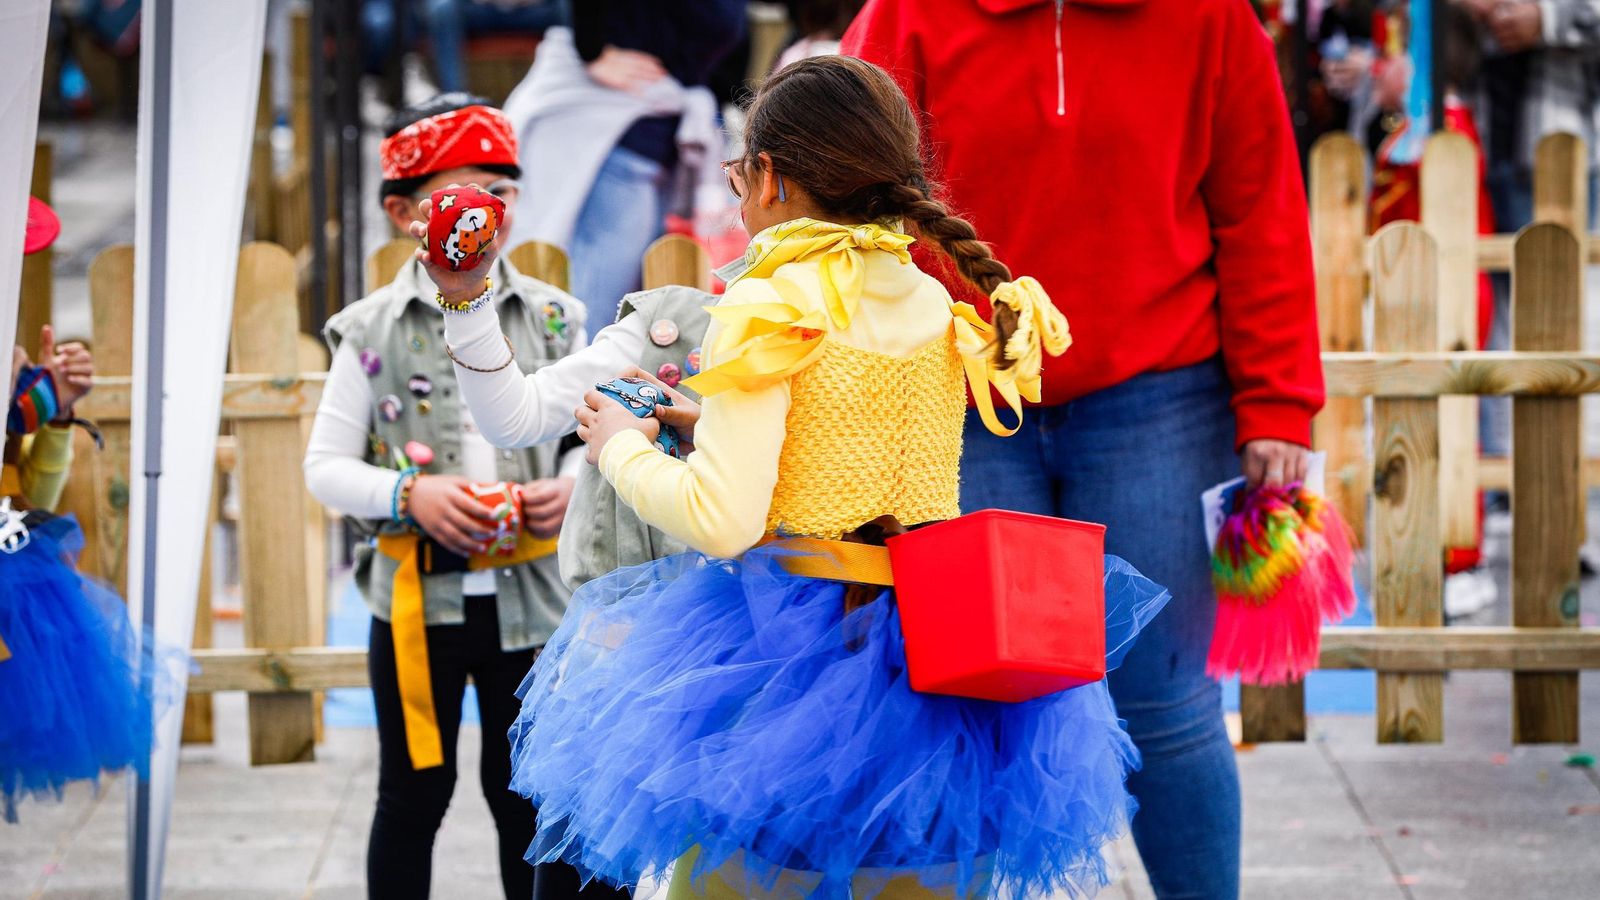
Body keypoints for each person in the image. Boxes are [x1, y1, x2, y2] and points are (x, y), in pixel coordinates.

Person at [426, 55, 1170, 899]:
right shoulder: (931, 301)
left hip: (790, 651)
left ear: (772, 178)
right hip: (923, 642)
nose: (740, 198)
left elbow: (721, 519)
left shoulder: (771, 302)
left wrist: (620, 446)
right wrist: (701, 420)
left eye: (742, 175)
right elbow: (847, 449)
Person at [843, 2, 1326, 897]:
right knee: (969, 701)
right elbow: (842, 199)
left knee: (1170, 708)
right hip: (957, 399)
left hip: (1161, 397)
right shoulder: (908, 16)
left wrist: (1279, 405)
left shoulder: (1212, 21)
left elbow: (1261, 212)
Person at [302, 93, 589, 900]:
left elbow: (592, 438)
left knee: (528, 797)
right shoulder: (369, 329)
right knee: (412, 796)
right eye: (462, 197)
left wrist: (570, 486)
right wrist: (409, 493)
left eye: (501, 196)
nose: (486, 217)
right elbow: (324, 466)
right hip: (415, 609)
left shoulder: (558, 320)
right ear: (402, 212)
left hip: (535, 602)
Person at [501, 0, 746, 335]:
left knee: (628, 310)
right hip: (614, 138)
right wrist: (592, 51)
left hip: (659, 140)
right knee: (597, 313)